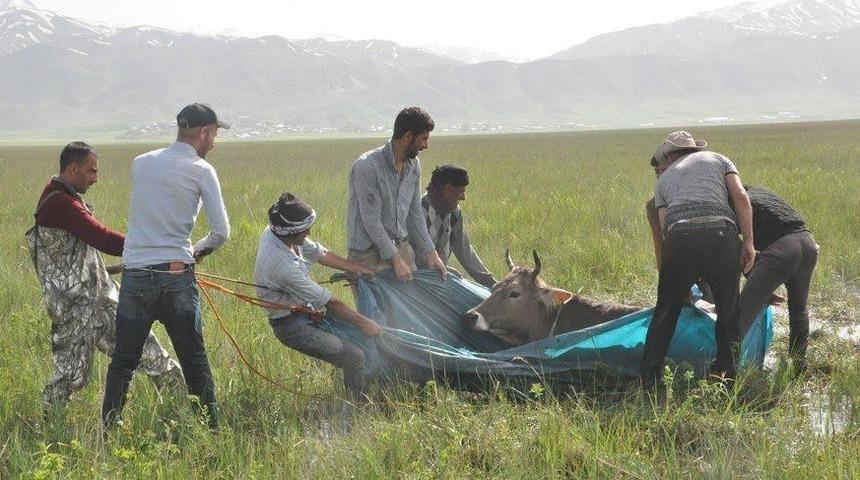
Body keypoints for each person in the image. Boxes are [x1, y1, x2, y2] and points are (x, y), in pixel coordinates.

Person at [26, 142, 182, 412]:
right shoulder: (60, 203)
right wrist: (157, 248)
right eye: (92, 171)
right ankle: (49, 428)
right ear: (73, 169)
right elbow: (101, 237)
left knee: (151, 353)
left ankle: (184, 411)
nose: (96, 178)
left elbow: (80, 254)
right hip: (75, 309)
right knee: (71, 374)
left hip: (100, 299)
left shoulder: (63, 196)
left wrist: (140, 258)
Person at [102, 103, 231, 429]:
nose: (214, 142)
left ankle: (109, 433)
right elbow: (221, 233)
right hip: (175, 276)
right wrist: (197, 251)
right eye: (214, 134)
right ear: (203, 132)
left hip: (135, 277)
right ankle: (210, 433)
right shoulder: (202, 170)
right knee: (194, 361)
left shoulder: (141, 163)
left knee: (123, 363)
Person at [647, 184, 819, 371]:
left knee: (738, 321)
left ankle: (723, 373)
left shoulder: (731, 203)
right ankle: (799, 366)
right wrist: (761, 285)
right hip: (808, 244)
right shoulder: (755, 192)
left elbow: (737, 251)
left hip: (782, 251)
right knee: (798, 311)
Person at [640, 131, 755, 385]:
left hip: (679, 238)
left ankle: (649, 378)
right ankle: (726, 374)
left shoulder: (663, 181)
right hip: (721, 233)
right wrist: (748, 242)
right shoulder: (720, 159)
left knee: (665, 312)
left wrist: (685, 266)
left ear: (669, 156)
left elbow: (666, 229)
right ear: (695, 150)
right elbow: (741, 198)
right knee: (728, 310)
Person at [254, 193, 382, 400]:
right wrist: (365, 322)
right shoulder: (281, 265)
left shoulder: (280, 233)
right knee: (355, 356)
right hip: (292, 326)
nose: (309, 232)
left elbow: (319, 253)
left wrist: (354, 267)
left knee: (356, 342)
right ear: (291, 231)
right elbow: (329, 302)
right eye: (305, 230)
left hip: (306, 311)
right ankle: (357, 404)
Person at [347, 107, 447, 282]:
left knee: (414, 305)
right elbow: (371, 221)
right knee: (376, 310)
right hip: (369, 255)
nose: (426, 145)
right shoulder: (367, 167)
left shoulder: (413, 166)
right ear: (408, 137)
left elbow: (415, 214)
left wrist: (431, 253)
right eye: (423, 139)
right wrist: (396, 260)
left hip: (401, 247)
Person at [421, 164, 496, 288]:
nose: (463, 197)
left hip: (440, 279)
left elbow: (465, 252)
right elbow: (406, 256)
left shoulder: (455, 213)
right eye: (461, 191)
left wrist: (493, 284)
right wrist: (438, 268)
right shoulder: (418, 211)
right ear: (448, 189)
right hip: (416, 283)